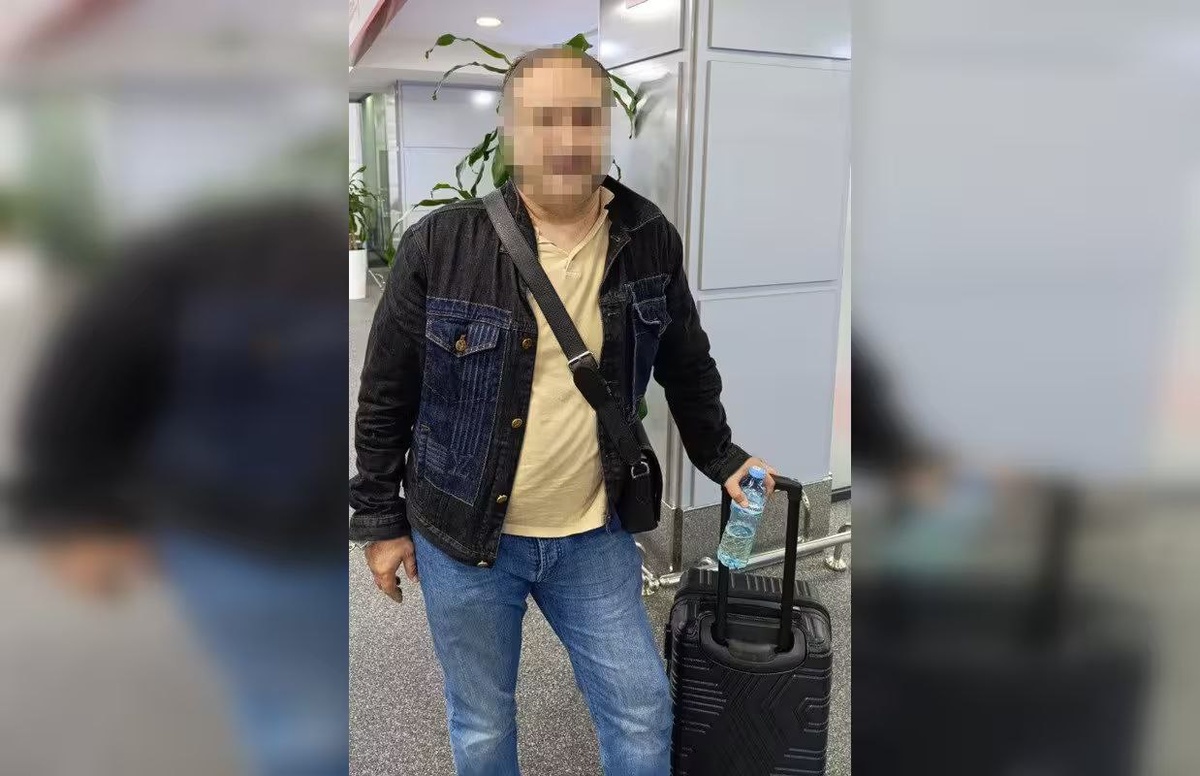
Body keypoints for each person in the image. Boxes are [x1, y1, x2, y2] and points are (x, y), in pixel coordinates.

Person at [349, 47, 773, 776]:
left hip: (592, 534)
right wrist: (381, 522)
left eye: (585, 116)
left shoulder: (648, 238)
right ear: (510, 130)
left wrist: (722, 456)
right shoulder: (441, 244)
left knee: (641, 712)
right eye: (545, 119)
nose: (568, 138)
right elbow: (387, 393)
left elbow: (686, 364)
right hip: (464, 536)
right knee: (482, 723)